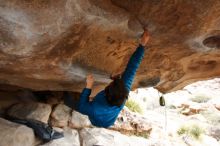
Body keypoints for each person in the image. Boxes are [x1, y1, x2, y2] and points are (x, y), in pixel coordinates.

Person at [64, 30, 150, 128]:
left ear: (106, 94)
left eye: (110, 85)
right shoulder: (123, 91)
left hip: (96, 121)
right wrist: (142, 45)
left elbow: (83, 106)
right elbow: (133, 67)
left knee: (70, 102)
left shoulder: (95, 109)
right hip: (109, 120)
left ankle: (64, 98)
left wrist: (88, 86)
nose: (110, 83)